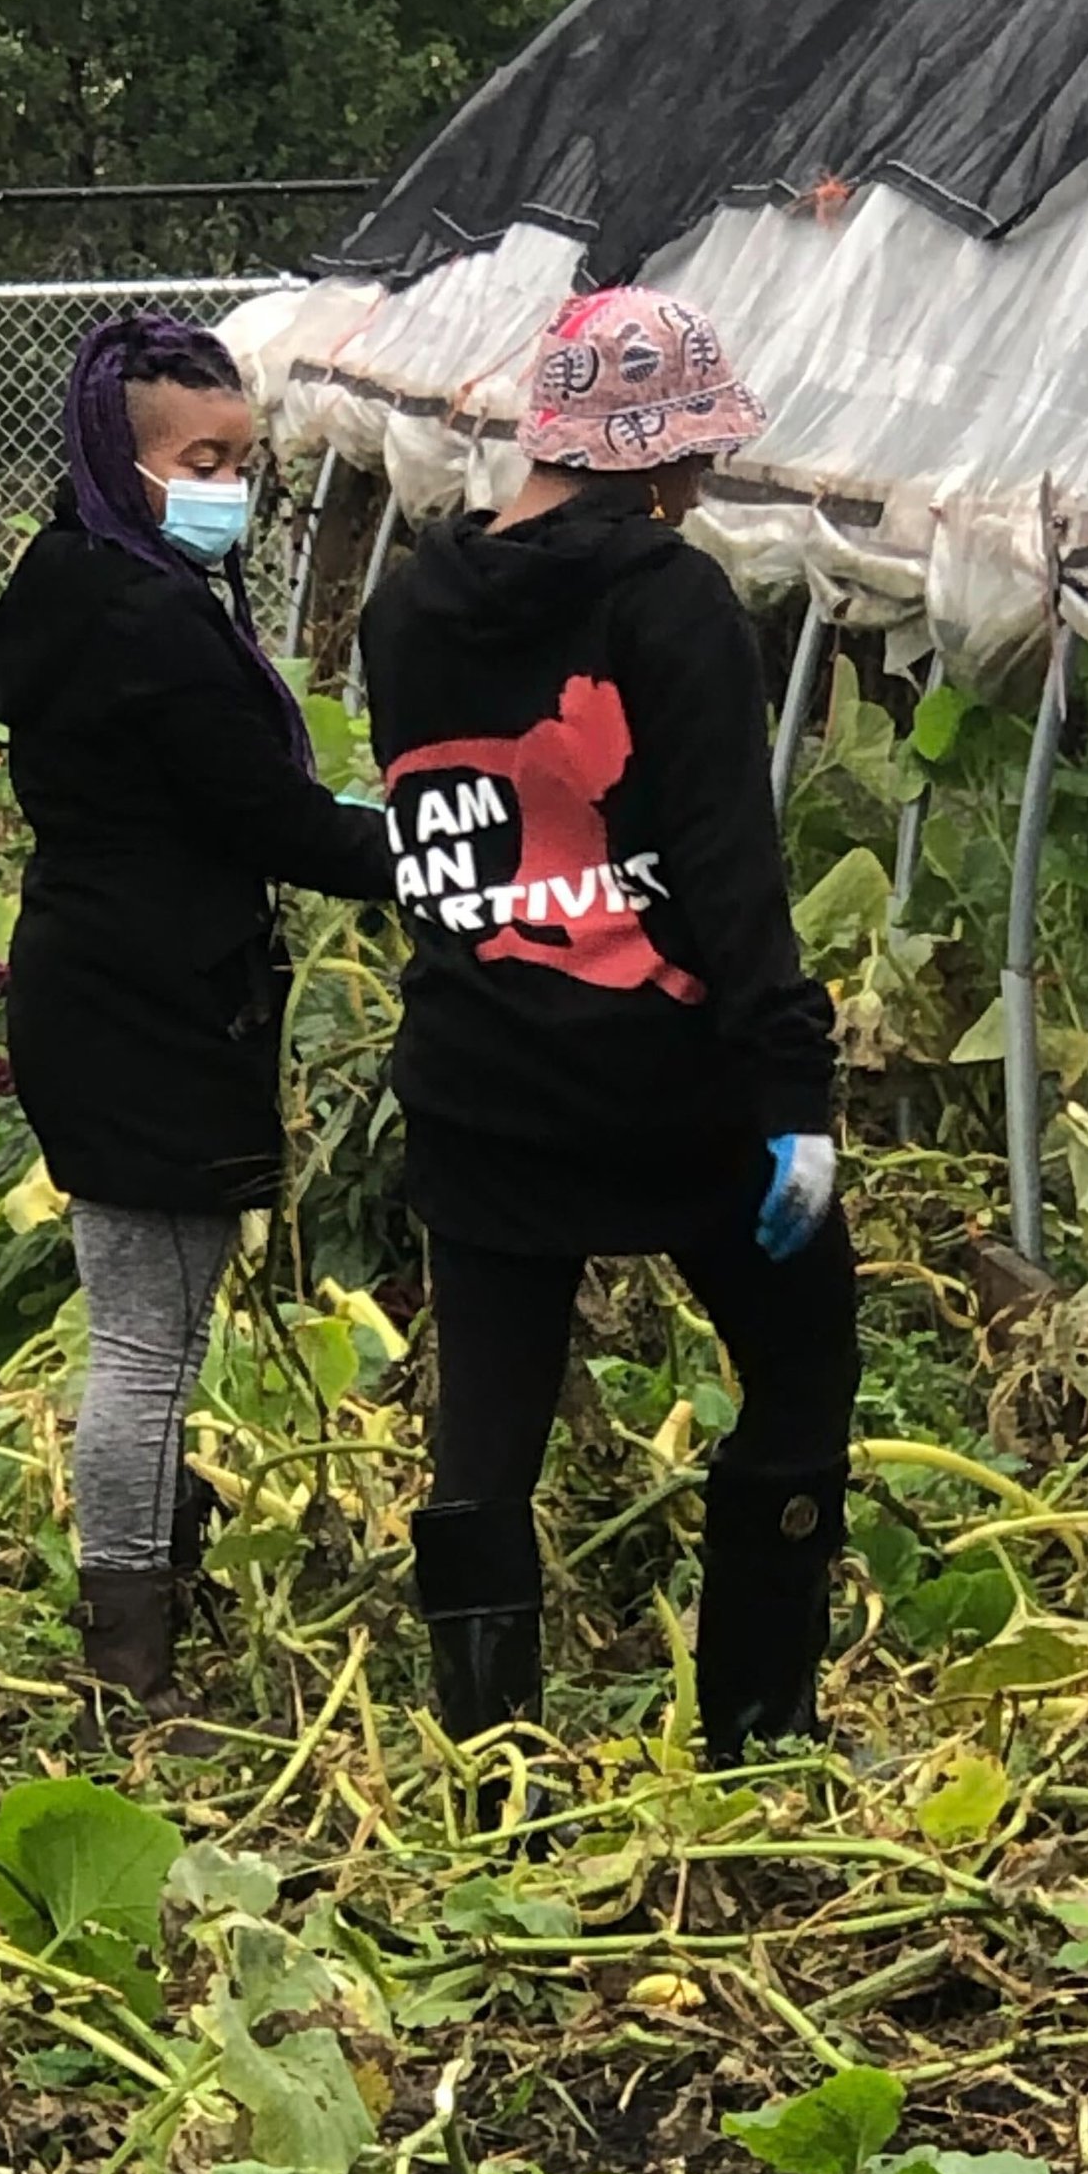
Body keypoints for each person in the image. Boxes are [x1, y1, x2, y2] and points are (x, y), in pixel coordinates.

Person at [357, 285, 858, 1768]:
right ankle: (760, 1737)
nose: (697, 487)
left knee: (486, 1431)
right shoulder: (668, 598)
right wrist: (793, 1089)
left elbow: (438, 838)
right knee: (803, 1365)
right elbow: (726, 866)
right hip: (673, 1085)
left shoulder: (406, 604)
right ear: (652, 454)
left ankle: (494, 1773)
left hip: (481, 1082)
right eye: (692, 458)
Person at [0, 312, 390, 1730]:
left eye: (242, 460)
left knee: (147, 1324)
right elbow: (267, 820)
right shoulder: (148, 623)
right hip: (150, 1008)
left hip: (100, 982)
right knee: (145, 1341)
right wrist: (442, 860)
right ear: (119, 459)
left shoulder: (73, 585)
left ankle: (149, 1581)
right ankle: (125, 1660)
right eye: (199, 458)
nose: (229, 487)